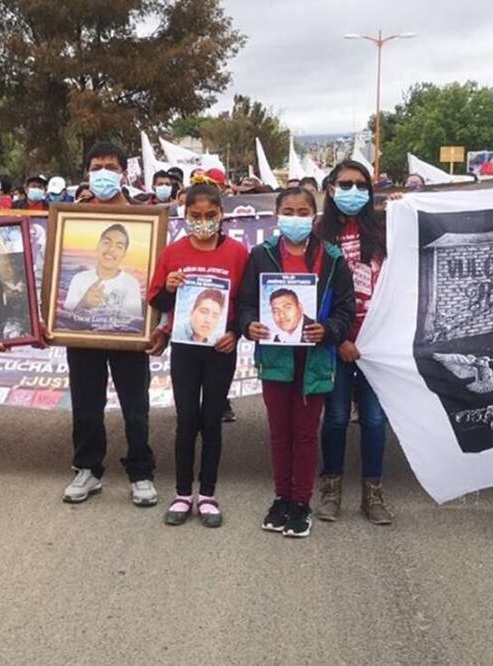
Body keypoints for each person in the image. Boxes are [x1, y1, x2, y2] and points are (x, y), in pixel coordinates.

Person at [237, 187, 355, 538]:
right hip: (275, 356)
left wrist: (329, 329)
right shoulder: (261, 255)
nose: (296, 217)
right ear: (277, 215)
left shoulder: (332, 258)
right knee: (279, 433)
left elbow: (346, 309)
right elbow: (245, 303)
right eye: (288, 210)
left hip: (315, 358)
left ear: (314, 215)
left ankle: (300, 503)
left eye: (303, 211)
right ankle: (281, 498)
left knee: (304, 434)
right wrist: (249, 325)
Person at [58, 141, 161, 507]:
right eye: (96, 166)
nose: (104, 173)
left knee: (136, 405)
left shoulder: (145, 219)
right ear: (87, 172)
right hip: (83, 340)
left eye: (111, 166)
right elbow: (65, 315)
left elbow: (150, 297)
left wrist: (153, 328)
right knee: (86, 404)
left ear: (123, 173)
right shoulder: (72, 223)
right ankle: (87, 469)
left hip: (128, 342)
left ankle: (141, 472)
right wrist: (83, 305)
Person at [148, 183, 248, 527]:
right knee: (186, 419)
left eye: (210, 216)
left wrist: (235, 332)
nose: (203, 222)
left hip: (220, 350)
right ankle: (181, 493)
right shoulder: (173, 252)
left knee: (211, 421)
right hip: (185, 349)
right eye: (195, 216)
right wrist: (170, 289)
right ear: (185, 215)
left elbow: (246, 303)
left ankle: (207, 494)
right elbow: (157, 300)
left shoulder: (237, 252)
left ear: (221, 214)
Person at [314, 159, 394, 524]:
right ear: (331, 189)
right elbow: (312, 292)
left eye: (361, 185)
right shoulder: (319, 235)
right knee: (335, 417)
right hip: (336, 342)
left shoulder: (385, 229)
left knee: (375, 420)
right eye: (344, 185)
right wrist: (339, 336)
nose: (353, 192)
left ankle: (373, 494)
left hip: (378, 345)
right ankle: (331, 490)